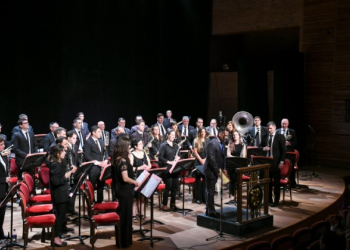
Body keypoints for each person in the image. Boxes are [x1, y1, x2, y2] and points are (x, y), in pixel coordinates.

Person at [111, 136, 139, 248]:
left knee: (125, 216)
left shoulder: (117, 159)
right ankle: (124, 242)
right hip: (125, 190)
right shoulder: (122, 161)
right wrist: (135, 182)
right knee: (125, 217)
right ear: (124, 147)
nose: (130, 147)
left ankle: (123, 241)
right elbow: (125, 178)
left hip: (121, 190)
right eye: (128, 146)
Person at [48, 145, 74, 246]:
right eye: (63, 151)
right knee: (60, 216)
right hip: (59, 194)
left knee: (62, 215)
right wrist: (66, 176)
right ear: (58, 154)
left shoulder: (59, 163)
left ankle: (57, 236)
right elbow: (55, 181)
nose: (65, 153)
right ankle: (55, 238)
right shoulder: (55, 165)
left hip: (62, 192)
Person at [203, 127, 226, 217]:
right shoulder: (212, 143)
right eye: (225, 135)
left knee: (210, 190)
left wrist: (224, 168)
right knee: (210, 191)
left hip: (215, 170)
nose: (226, 137)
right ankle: (211, 211)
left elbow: (222, 156)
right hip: (210, 171)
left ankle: (209, 209)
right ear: (220, 134)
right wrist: (217, 171)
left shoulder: (221, 142)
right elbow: (211, 159)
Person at [263, 121, 286, 207]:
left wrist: (282, 161)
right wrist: (263, 148)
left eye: (270, 128)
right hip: (267, 163)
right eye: (268, 128)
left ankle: (276, 201)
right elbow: (260, 147)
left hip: (276, 163)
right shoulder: (265, 137)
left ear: (275, 127)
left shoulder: (280, 137)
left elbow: (283, 150)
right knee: (267, 182)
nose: (269, 130)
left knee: (276, 183)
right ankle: (269, 200)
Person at [83, 125, 108, 203]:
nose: (100, 133)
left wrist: (106, 160)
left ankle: (100, 201)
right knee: (92, 185)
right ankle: (91, 202)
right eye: (99, 132)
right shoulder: (88, 142)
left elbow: (105, 152)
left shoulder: (101, 141)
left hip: (102, 166)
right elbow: (86, 155)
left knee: (101, 184)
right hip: (93, 167)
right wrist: (97, 163)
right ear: (93, 133)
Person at [158, 129, 180, 211]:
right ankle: (164, 204)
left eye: (174, 135)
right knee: (168, 187)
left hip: (175, 168)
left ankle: (173, 203)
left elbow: (179, 155)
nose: (173, 137)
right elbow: (160, 157)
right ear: (167, 135)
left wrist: (178, 158)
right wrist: (169, 162)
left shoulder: (176, 145)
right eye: (172, 135)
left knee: (175, 187)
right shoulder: (164, 145)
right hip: (167, 168)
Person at [130, 138, 151, 218]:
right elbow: (130, 168)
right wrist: (140, 167)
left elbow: (149, 164)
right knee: (135, 197)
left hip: (144, 176)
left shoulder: (144, 153)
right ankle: (133, 214)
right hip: (136, 177)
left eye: (142, 144)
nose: (142, 145)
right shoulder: (131, 154)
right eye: (140, 144)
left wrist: (147, 168)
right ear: (135, 146)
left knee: (142, 196)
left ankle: (141, 213)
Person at [276, 118, 298, 188]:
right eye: (282, 124)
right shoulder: (277, 131)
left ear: (288, 124)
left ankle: (292, 183)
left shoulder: (292, 131)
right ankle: (280, 182)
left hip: (289, 153)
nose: (284, 125)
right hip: (280, 153)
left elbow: (295, 142)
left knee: (290, 168)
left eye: (285, 124)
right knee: (279, 167)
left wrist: (289, 143)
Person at [226, 131, 247, 203]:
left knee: (237, 181)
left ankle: (238, 196)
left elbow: (244, 156)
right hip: (231, 166)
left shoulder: (243, 145)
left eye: (236, 134)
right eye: (233, 135)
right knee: (232, 181)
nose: (235, 136)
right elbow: (228, 155)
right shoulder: (230, 144)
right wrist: (236, 158)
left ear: (239, 136)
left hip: (239, 166)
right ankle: (232, 196)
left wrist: (238, 159)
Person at [192, 128, 210, 204]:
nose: (203, 133)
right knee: (198, 180)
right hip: (198, 162)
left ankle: (204, 198)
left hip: (205, 161)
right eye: (201, 132)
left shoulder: (207, 140)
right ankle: (198, 198)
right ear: (199, 133)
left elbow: (209, 151)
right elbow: (195, 152)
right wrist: (201, 160)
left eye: (204, 132)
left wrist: (205, 159)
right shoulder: (196, 140)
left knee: (205, 179)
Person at [66, 130, 80, 215]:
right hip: (68, 172)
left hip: (75, 172)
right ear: (68, 138)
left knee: (73, 191)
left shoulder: (75, 146)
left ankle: (71, 208)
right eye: (74, 138)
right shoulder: (65, 147)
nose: (76, 140)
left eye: (76, 138)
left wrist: (78, 165)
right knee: (68, 191)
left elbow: (76, 159)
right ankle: (67, 209)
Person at [0, 137, 10, 240]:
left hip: (3, 189)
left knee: (2, 213)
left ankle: (0, 234)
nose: (4, 146)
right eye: (1, 145)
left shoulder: (2, 156)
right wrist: (4, 179)